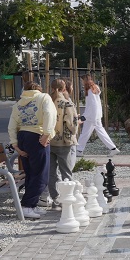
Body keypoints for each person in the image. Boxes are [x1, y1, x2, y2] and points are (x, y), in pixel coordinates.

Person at [7, 81, 57, 219]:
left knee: (30, 173)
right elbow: (49, 114)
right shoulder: (44, 97)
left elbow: (11, 125)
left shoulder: (18, 103)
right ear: (39, 89)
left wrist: (15, 144)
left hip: (23, 137)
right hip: (37, 137)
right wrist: (46, 134)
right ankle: (27, 206)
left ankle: (32, 204)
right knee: (41, 175)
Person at [44, 79, 81, 208]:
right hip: (64, 142)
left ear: (51, 88)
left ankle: (55, 198)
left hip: (48, 141)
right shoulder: (67, 103)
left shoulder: (47, 102)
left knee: (51, 172)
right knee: (66, 172)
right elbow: (72, 125)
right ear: (64, 88)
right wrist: (75, 130)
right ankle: (67, 198)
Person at [75, 74, 120, 157]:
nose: (81, 82)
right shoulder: (95, 88)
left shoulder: (89, 91)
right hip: (95, 115)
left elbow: (92, 105)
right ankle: (113, 149)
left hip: (92, 116)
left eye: (82, 80)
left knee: (86, 133)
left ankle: (79, 150)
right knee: (96, 132)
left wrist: (85, 116)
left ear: (85, 81)